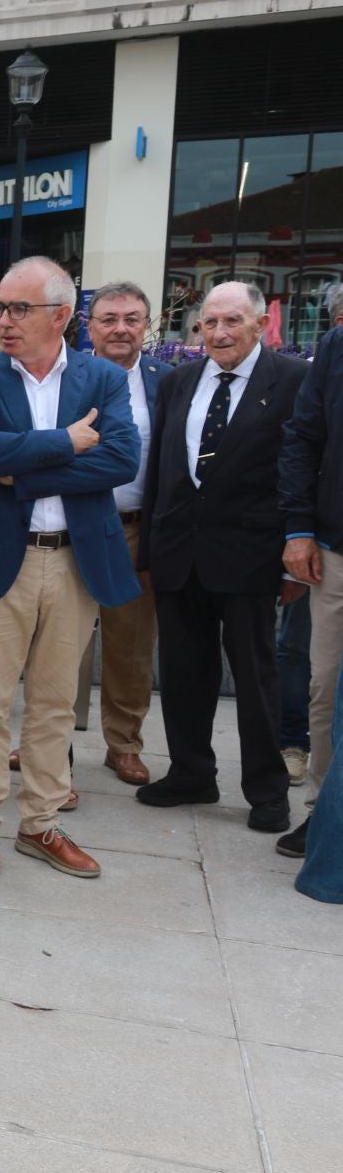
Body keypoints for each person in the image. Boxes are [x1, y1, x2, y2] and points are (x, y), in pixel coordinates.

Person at [0, 258, 139, 880]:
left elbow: (121, 460)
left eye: (19, 309)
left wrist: (20, 470)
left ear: (61, 315)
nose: (4, 320)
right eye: (1, 307)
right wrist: (65, 442)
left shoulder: (101, 378)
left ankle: (41, 823)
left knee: (56, 704)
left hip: (75, 560)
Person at [139, 281, 307, 836]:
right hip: (179, 554)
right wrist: (151, 549)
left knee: (256, 680)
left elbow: (302, 467)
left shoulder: (292, 381)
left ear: (260, 324)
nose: (219, 332)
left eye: (232, 321)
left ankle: (267, 790)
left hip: (251, 557)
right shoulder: (179, 380)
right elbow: (163, 468)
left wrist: (294, 553)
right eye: (209, 322)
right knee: (183, 673)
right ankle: (191, 773)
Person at [77, 283, 171, 788]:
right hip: (71, 526)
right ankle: (50, 744)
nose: (120, 329)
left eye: (132, 319)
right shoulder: (63, 376)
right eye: (109, 319)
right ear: (89, 326)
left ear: (146, 326)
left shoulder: (168, 382)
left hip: (134, 530)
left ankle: (124, 744)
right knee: (58, 643)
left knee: (131, 646)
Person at [278, 286, 343, 858]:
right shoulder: (335, 348)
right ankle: (325, 814)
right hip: (335, 549)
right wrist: (298, 529)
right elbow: (303, 438)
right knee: (327, 684)